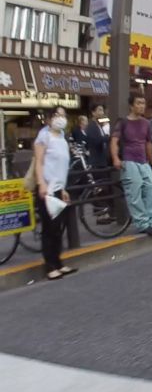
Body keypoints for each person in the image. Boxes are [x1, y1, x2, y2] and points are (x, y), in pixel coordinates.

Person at [32, 106, 77, 280]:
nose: (61, 118)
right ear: (50, 118)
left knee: (58, 228)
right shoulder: (44, 136)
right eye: (58, 115)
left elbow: (60, 166)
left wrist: (63, 188)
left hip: (58, 188)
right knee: (49, 228)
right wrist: (41, 183)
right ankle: (50, 265)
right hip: (47, 188)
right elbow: (39, 163)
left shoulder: (62, 137)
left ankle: (58, 262)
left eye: (64, 116)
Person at [111, 95, 152, 235]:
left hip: (143, 161)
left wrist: (151, 161)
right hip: (129, 160)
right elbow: (114, 141)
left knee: (151, 189)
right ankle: (142, 224)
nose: (142, 106)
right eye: (138, 103)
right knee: (134, 194)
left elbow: (148, 143)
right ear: (131, 106)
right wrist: (115, 158)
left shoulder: (146, 123)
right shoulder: (123, 122)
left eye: (143, 103)